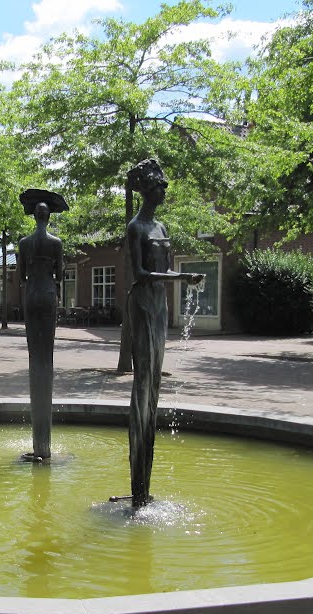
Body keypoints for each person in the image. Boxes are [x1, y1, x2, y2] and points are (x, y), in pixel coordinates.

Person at [124, 159, 203, 508]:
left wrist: (176, 279)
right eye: (159, 185)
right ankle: (137, 476)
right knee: (143, 380)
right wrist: (180, 280)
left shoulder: (162, 225)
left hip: (160, 307)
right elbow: (140, 273)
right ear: (146, 189)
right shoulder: (136, 228)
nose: (164, 190)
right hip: (142, 304)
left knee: (155, 379)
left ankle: (146, 482)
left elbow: (165, 267)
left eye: (164, 185)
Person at [18, 189, 68, 462]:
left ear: (34, 216)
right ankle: (43, 446)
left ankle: (39, 444)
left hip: (31, 295)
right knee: (46, 355)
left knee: (33, 352)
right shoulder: (56, 243)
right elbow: (59, 273)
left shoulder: (24, 243)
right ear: (47, 217)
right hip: (48, 294)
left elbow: (21, 276)